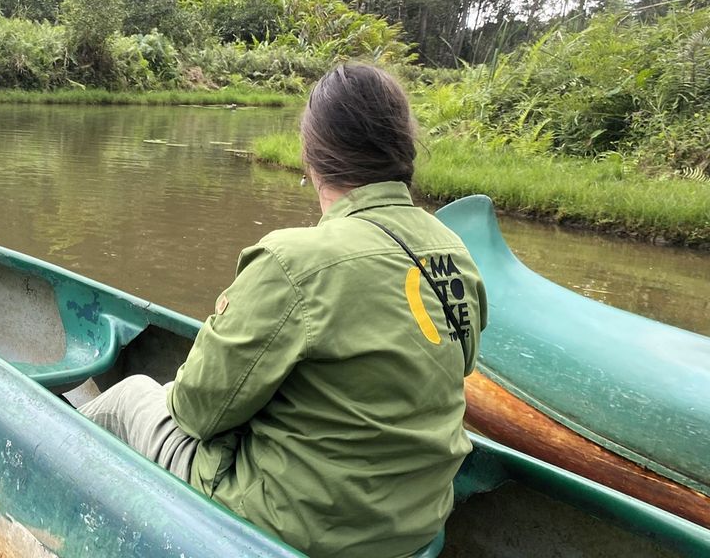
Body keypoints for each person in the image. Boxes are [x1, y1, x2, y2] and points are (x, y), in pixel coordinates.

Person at [79, 63, 487, 558]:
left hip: (291, 527)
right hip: (414, 527)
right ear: (403, 151)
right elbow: (455, 366)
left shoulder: (295, 262)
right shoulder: (453, 253)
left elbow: (195, 410)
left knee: (136, 395)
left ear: (311, 156)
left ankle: (44, 447)